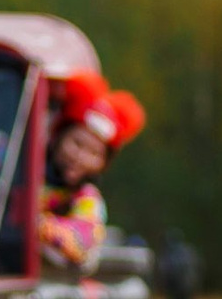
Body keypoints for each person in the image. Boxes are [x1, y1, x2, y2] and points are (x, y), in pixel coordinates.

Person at [40, 74, 146, 268]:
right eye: (76, 143)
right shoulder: (27, 174)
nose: (80, 157)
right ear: (57, 137)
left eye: (94, 153)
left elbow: (82, 237)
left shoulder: (86, 199)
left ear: (104, 164)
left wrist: (40, 226)